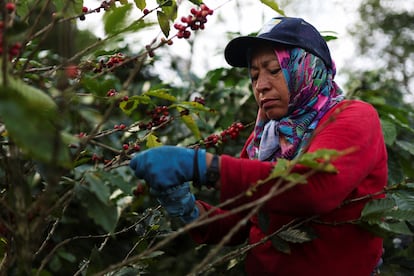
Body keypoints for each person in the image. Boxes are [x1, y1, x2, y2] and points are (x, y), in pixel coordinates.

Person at [129, 16, 387, 276]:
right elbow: (245, 219)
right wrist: (190, 211)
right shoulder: (264, 140)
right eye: (254, 76)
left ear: (305, 67)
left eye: (274, 70)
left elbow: (314, 187)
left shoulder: (353, 117)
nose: (261, 86)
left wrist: (202, 166)